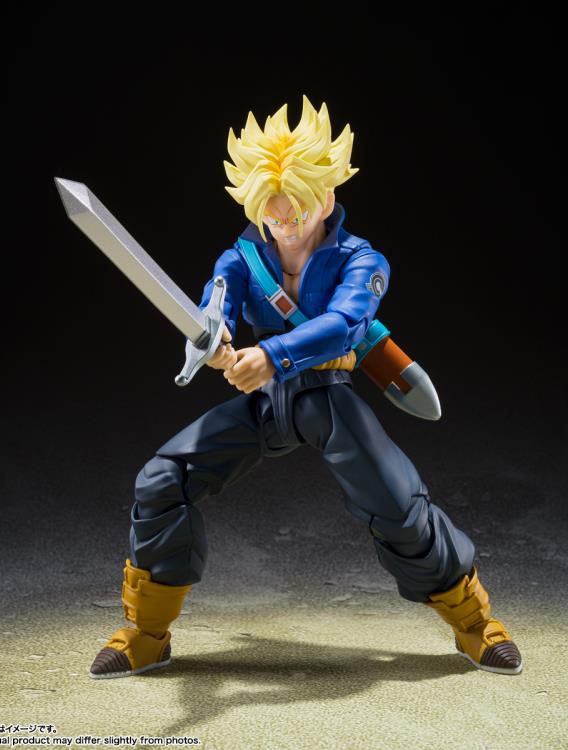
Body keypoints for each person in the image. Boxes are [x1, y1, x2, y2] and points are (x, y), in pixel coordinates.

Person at [89, 96, 522, 679]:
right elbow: (216, 297)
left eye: (294, 216)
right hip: (266, 403)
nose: (283, 228)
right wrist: (212, 336)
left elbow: (344, 324)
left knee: (398, 503)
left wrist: (271, 355)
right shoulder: (243, 256)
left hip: (327, 394)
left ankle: (473, 622)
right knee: (161, 480)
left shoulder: (362, 260)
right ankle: (147, 632)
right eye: (272, 218)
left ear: (328, 196)